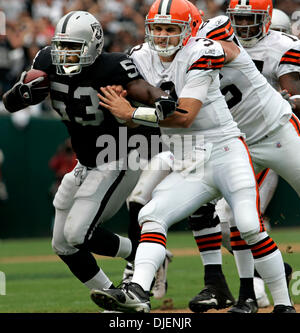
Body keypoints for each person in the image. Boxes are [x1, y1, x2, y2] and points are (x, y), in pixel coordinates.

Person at [90, 0, 293, 313]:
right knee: (151, 214)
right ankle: (136, 290)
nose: (162, 35)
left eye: (170, 28)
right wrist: (122, 108)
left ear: (191, 30)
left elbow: (184, 115)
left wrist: (132, 111)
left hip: (228, 151)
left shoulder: (203, 51)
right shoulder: (140, 57)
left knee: (250, 225)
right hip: (191, 158)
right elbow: (134, 118)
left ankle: (283, 304)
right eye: (157, 27)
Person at [2, 10, 178, 305]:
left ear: (94, 46)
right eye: (62, 46)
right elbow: (10, 104)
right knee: (62, 244)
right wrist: (23, 91)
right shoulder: (46, 60)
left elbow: (145, 91)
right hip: (85, 163)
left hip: (117, 157)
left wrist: (161, 97)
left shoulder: (113, 66)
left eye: (74, 47)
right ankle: (120, 291)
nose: (65, 54)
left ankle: (145, 256)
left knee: (77, 234)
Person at [187, 0, 299, 313]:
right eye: (239, 19)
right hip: (239, 141)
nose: (245, 26)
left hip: (279, 133)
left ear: (265, 20)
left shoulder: (283, 45)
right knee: (235, 216)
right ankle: (248, 293)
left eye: (252, 19)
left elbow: (293, 91)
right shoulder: (207, 48)